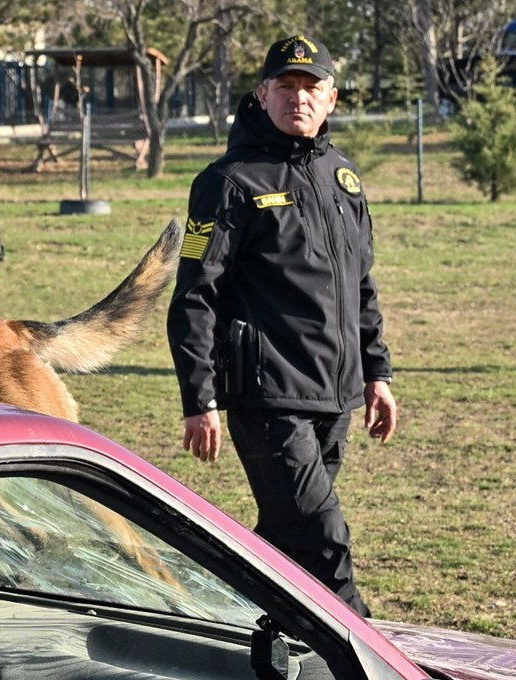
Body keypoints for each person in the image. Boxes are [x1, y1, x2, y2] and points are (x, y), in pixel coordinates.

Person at [165, 34, 397, 617]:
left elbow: (360, 284)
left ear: (332, 98)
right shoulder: (229, 181)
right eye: (286, 86)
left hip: (335, 393)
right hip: (267, 396)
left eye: (311, 87)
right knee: (324, 539)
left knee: (285, 544)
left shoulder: (344, 177)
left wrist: (377, 373)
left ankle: (237, 629)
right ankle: (368, 650)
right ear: (263, 94)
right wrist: (200, 398)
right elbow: (195, 295)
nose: (299, 97)